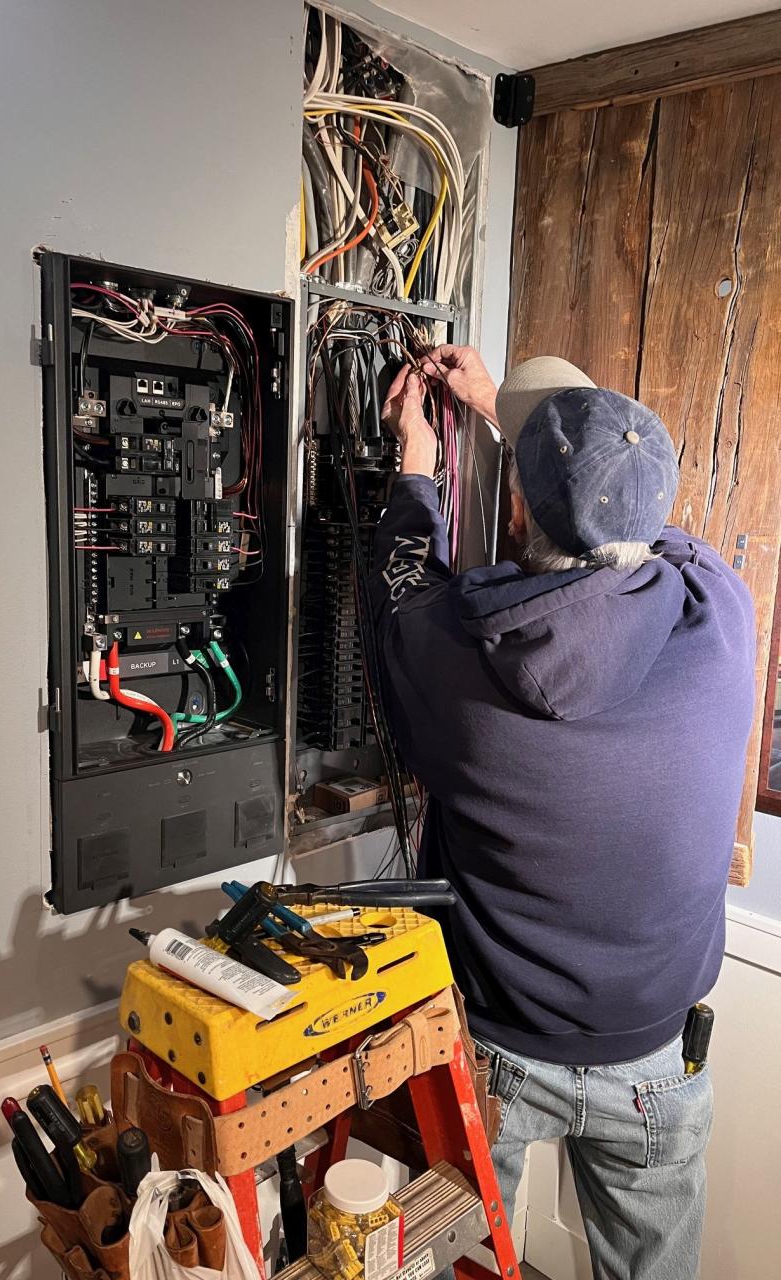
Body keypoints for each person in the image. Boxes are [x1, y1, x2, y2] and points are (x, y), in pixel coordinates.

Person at [371, 347, 755, 1280]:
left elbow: (397, 591)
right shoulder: (722, 613)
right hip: (657, 1060)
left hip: (495, 1052)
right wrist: (526, 426)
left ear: (514, 512)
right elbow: (640, 524)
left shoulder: (459, 669)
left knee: (461, 1262)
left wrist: (416, 458)